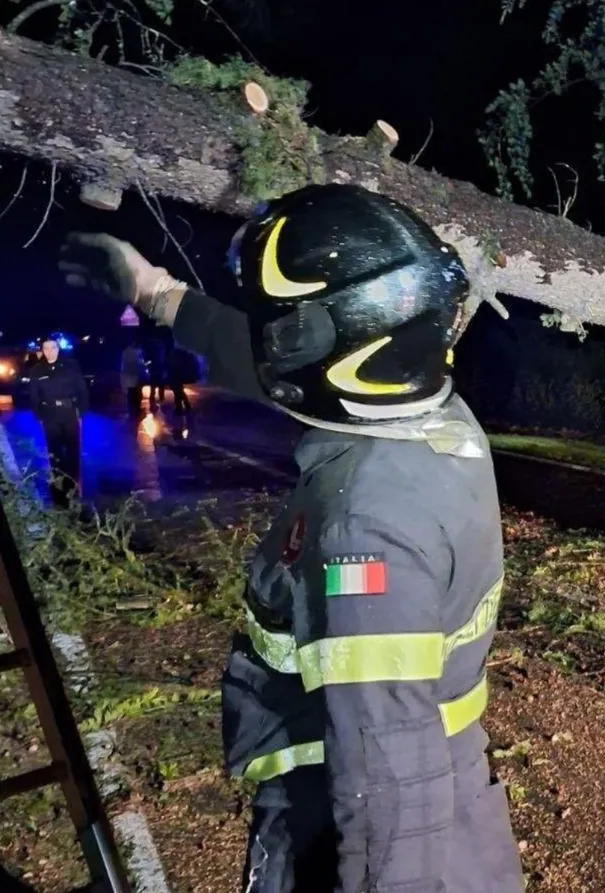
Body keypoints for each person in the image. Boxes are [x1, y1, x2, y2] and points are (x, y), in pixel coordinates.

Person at [59, 184, 523, 893]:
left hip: (342, 823)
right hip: (455, 812)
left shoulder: (364, 532)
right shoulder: (430, 414)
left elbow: (391, 776)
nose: (270, 347)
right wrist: (157, 293)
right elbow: (285, 369)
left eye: (286, 330)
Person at [26, 336, 89, 508]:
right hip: (50, 415)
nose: (49, 351)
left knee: (72, 450)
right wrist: (39, 416)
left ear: (58, 348)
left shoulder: (70, 366)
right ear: (42, 350)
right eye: (46, 348)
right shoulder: (37, 370)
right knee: (54, 452)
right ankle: (59, 486)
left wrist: (81, 412)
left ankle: (74, 486)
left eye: (53, 347)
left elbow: (82, 389)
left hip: (69, 413)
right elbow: (34, 396)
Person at [119, 340, 145, 420]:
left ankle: (132, 410)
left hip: (128, 375)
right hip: (134, 375)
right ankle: (135, 410)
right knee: (136, 393)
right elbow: (138, 364)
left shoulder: (126, 352)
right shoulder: (136, 352)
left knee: (131, 393)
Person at [166, 345, 193, 415]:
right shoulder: (179, 354)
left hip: (176, 375)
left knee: (178, 391)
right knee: (179, 391)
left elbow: (174, 365)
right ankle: (184, 406)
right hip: (176, 375)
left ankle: (180, 407)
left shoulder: (176, 355)